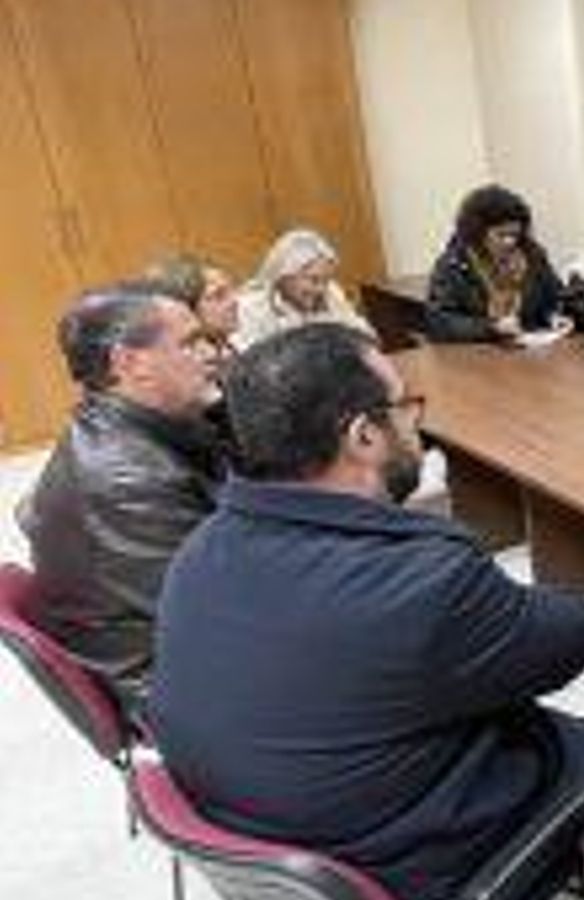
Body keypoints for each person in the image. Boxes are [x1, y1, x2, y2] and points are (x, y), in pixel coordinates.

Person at [149, 324, 584, 900]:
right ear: (363, 436)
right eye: (404, 405)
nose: (415, 421)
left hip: (276, 846)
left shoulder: (198, 551)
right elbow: (572, 635)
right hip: (410, 861)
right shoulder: (423, 581)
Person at [16, 283, 226, 711]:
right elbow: (230, 613)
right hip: (187, 694)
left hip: (190, 657)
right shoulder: (125, 482)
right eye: (190, 343)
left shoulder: (148, 426)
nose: (211, 354)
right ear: (130, 363)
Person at [426, 184, 571, 344]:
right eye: (501, 235)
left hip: (531, 349)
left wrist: (555, 317)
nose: (510, 242)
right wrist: (491, 328)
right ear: (479, 233)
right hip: (478, 356)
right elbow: (440, 322)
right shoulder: (454, 265)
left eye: (514, 234)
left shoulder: (532, 255)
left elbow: (553, 297)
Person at [235, 228, 373, 348]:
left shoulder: (331, 291)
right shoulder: (250, 307)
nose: (321, 289)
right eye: (313, 280)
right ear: (285, 276)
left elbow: (363, 333)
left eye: (326, 280)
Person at [145, 252, 240, 355]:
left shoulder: (226, 351)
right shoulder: (181, 363)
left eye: (232, 291)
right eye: (218, 295)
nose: (234, 301)